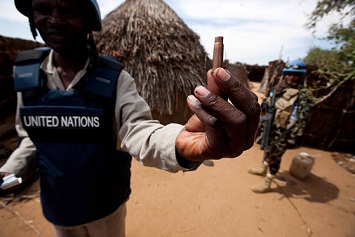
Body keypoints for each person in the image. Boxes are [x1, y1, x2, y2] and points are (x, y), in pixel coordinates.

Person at [0, 0, 260, 236]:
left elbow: (136, 131)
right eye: (44, 9)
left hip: (105, 208)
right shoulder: (28, 77)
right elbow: (31, 138)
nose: (55, 19)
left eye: (67, 10)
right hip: (58, 206)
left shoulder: (112, 80)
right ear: (32, 17)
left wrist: (178, 144)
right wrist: (9, 172)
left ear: (87, 20)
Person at [248, 59, 311, 193]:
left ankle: (268, 181)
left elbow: (303, 118)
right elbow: (268, 103)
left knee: (276, 156)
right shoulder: (277, 89)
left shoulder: (302, 95)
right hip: (271, 126)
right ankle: (263, 168)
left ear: (300, 76)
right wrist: (264, 107)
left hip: (285, 131)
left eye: (295, 75)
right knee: (267, 148)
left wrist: (293, 136)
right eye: (289, 74)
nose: (291, 77)